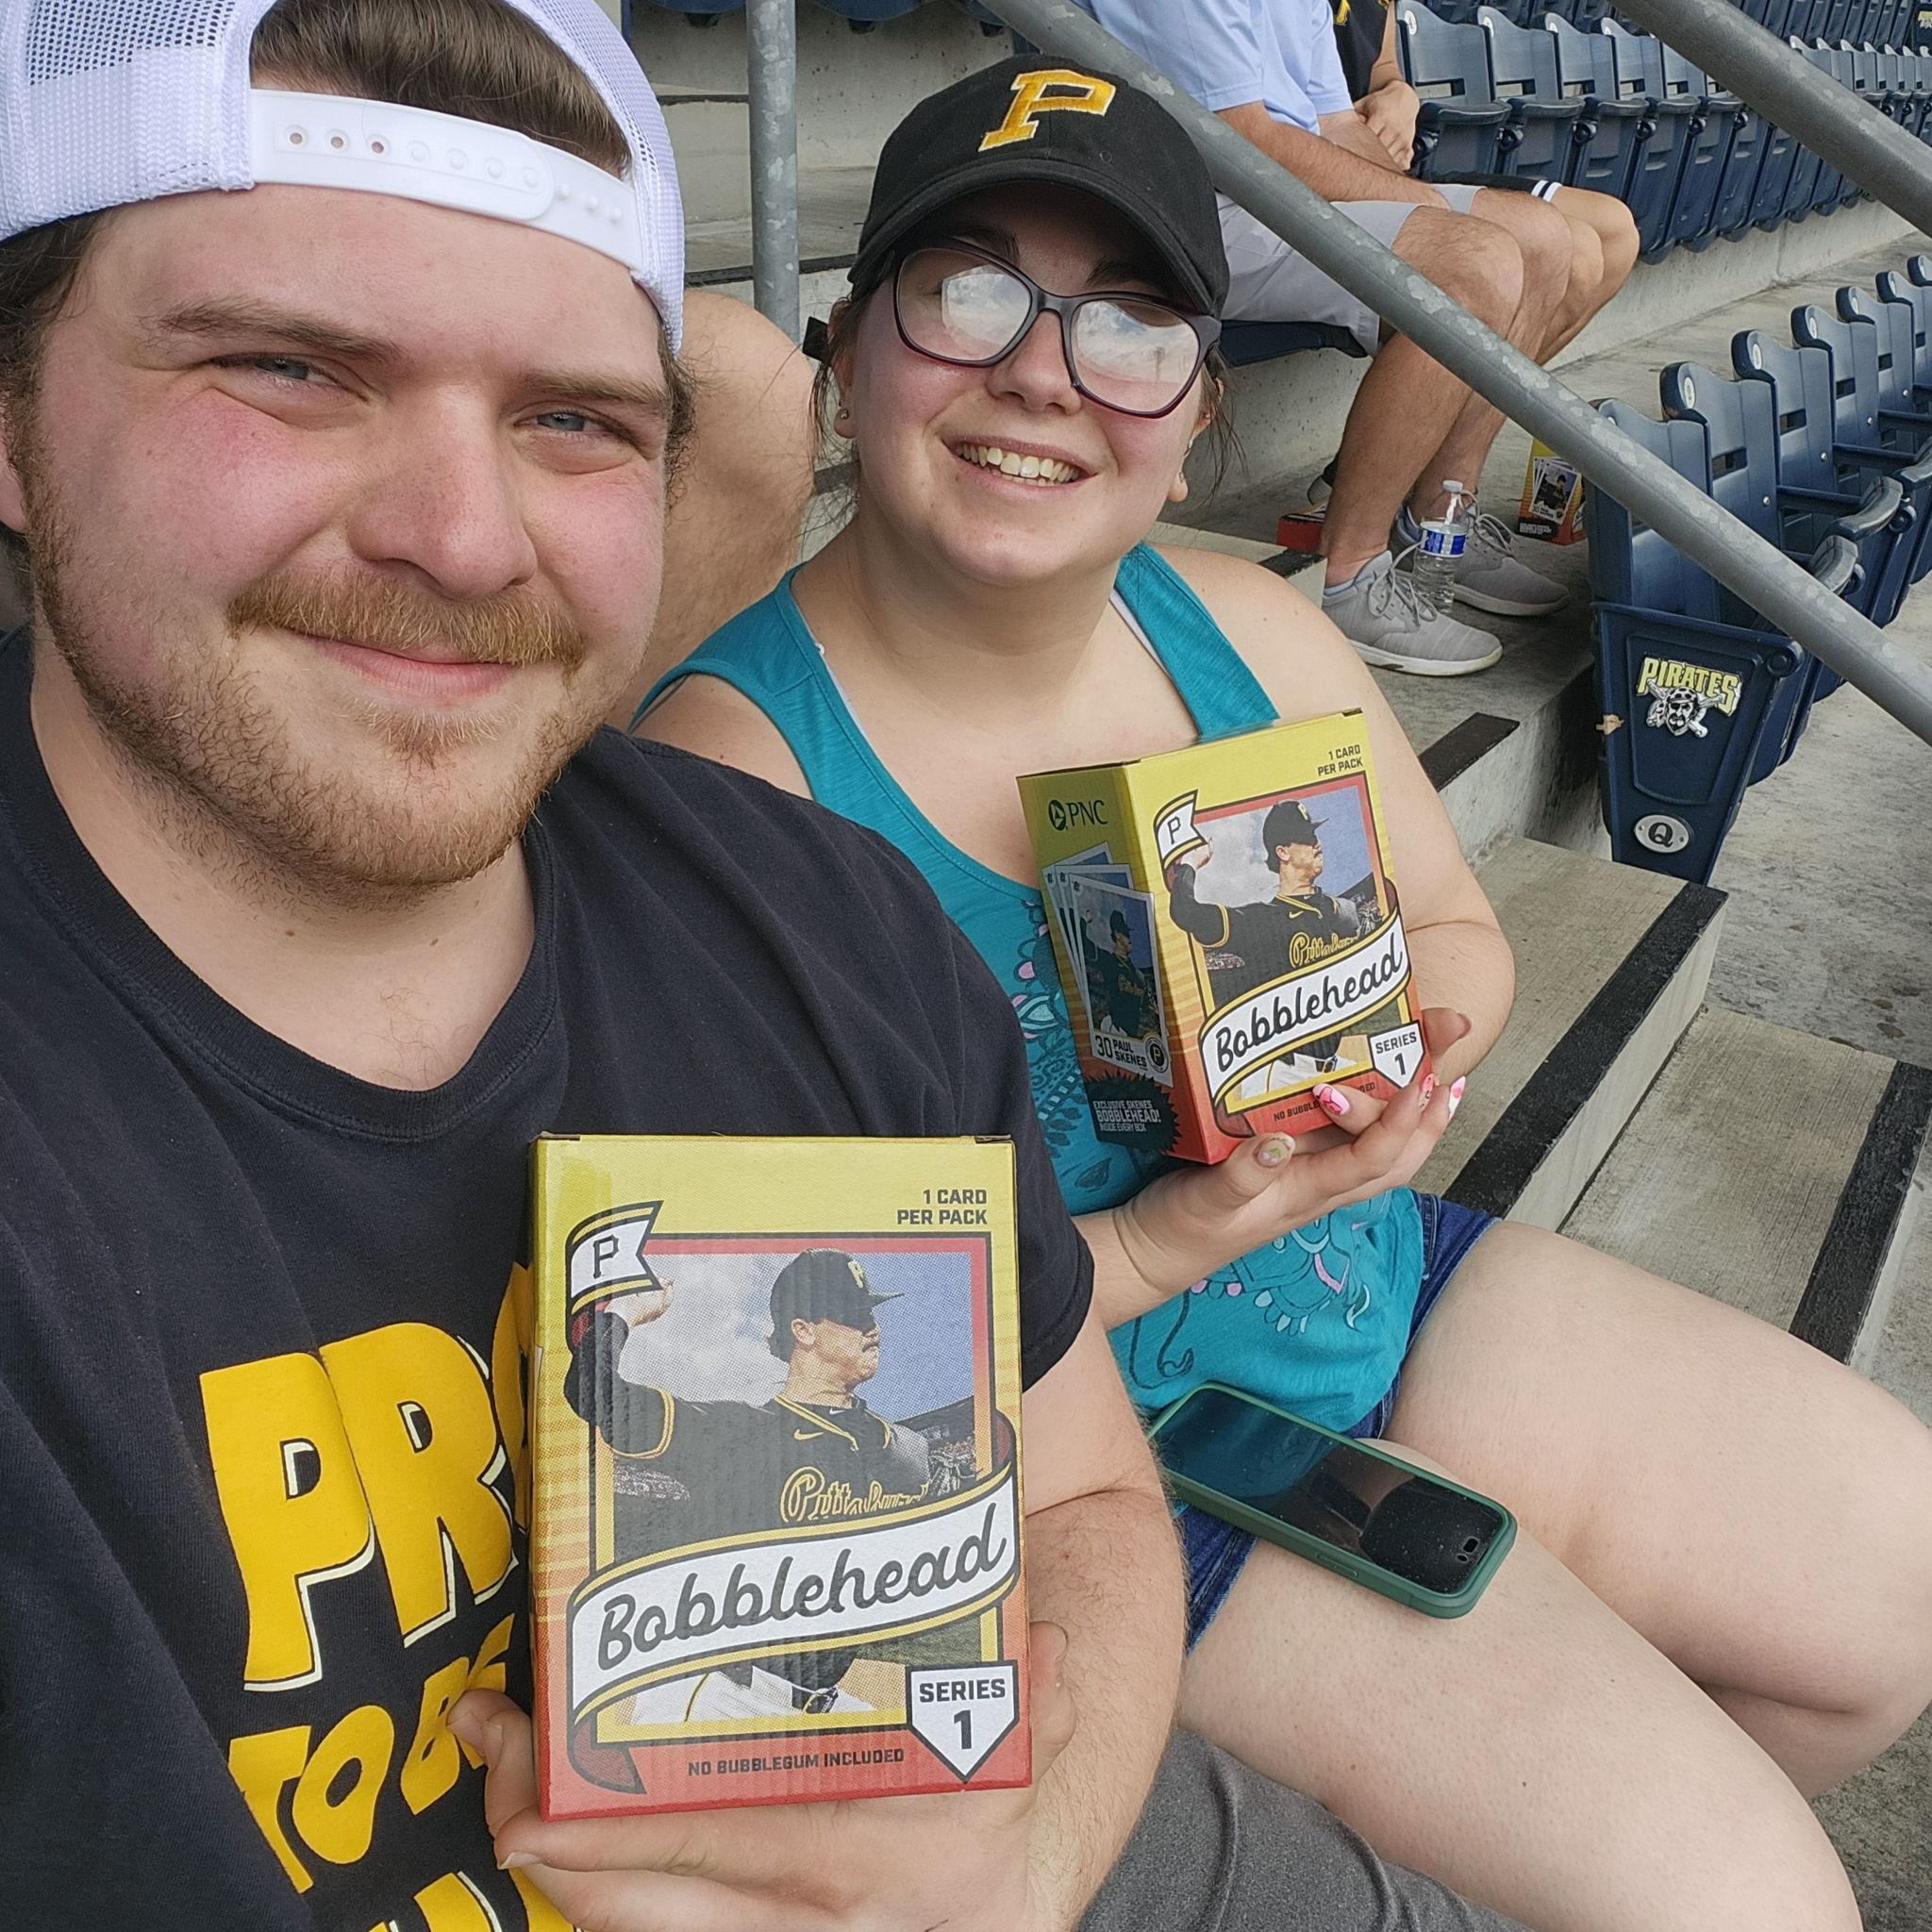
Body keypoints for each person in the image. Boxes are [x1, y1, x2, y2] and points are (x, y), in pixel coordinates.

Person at [0, 5, 1545, 1930]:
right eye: (291, 368)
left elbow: (1065, 1504)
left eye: (571, 416)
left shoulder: (805, 916)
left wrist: (1026, 1866)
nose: (462, 536)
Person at [641, 53, 1932, 1932]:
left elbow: (1458, 932)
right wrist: (1164, 1242)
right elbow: (794, 1400)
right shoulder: (733, 784)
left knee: (1881, 1593)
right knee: (1743, 1899)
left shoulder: (1243, 624)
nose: (1040, 370)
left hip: (1351, 1276)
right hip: (1095, 1456)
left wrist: (1414, 1048)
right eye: (968, 289)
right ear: (846, 349)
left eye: (1130, 324)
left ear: (1194, 409)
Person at [1056, 0, 1617, 675]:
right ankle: (1347, 573)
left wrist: (1417, 202)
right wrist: (1439, 222)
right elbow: (1242, 143)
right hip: (1185, 205)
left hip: (1274, 189)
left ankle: (1438, 525)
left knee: (1548, 242)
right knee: (1479, 261)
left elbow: (1334, 122)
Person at [566, 1249, 931, 1719]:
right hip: (716, 1694)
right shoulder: (733, 1431)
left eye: (870, 1312)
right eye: (852, 1315)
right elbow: (594, 1392)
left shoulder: (883, 1443)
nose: (872, 1327)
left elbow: (917, 1468)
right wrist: (627, 1312)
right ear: (804, 1331)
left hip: (823, 1703)